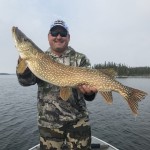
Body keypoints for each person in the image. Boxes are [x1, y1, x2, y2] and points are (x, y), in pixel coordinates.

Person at [16, 20, 97, 150]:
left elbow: (90, 96)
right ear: (49, 36)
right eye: (54, 32)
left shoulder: (80, 59)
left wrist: (90, 92)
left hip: (78, 122)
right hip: (48, 123)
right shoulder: (38, 58)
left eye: (63, 33)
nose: (58, 36)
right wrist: (22, 60)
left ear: (68, 37)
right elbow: (25, 82)